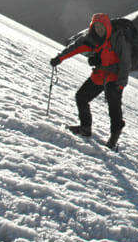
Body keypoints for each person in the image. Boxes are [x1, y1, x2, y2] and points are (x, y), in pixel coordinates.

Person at [50, 13, 131, 150]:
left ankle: (113, 139)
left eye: (102, 27)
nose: (99, 29)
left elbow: (125, 62)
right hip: (100, 74)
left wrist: (121, 84)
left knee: (114, 108)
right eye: (96, 26)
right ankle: (85, 128)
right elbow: (74, 47)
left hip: (114, 77)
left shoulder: (117, 39)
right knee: (81, 97)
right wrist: (59, 58)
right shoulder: (90, 38)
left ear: (107, 27)